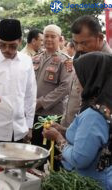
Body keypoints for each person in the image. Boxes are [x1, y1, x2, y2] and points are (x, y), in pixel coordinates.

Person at [43, 52, 112, 190]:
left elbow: (79, 159)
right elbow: (92, 139)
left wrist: (58, 137)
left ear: (91, 77)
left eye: (78, 74)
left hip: (89, 184)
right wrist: (64, 130)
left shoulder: (93, 116)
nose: (75, 80)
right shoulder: (104, 105)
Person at [31, 25, 72, 170]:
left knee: (53, 156)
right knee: (36, 154)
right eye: (46, 36)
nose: (48, 39)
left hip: (52, 117)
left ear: (60, 39)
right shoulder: (35, 58)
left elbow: (65, 87)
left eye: (52, 36)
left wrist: (41, 102)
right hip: (34, 114)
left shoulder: (65, 60)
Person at [61, 15, 112, 128]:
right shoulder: (81, 56)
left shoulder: (108, 66)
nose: (79, 48)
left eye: (84, 43)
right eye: (75, 43)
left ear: (99, 38)